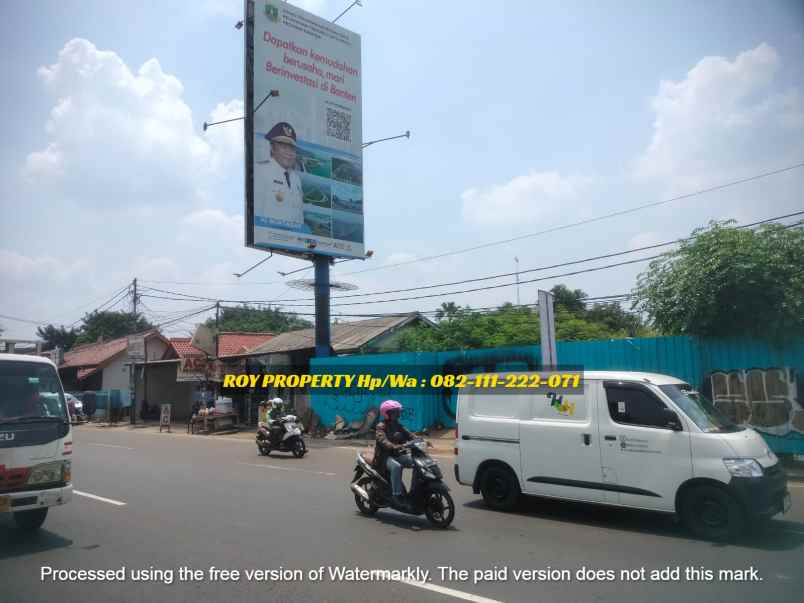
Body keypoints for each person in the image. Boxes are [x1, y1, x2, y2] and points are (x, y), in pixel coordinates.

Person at [254, 122, 306, 233]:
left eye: (292, 149)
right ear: (272, 148)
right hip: (269, 237)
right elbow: (255, 213)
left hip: (294, 240)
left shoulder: (296, 179)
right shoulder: (260, 171)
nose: (289, 153)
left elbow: (299, 216)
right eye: (283, 147)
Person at [375, 400, 414, 510]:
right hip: (384, 457)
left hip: (397, 454)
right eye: (395, 412)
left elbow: (409, 434)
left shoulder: (397, 425)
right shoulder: (381, 426)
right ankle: (396, 495)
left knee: (415, 462)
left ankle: (415, 490)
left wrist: (421, 440)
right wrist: (393, 446)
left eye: (397, 412)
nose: (397, 414)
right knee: (397, 467)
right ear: (387, 413)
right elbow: (382, 440)